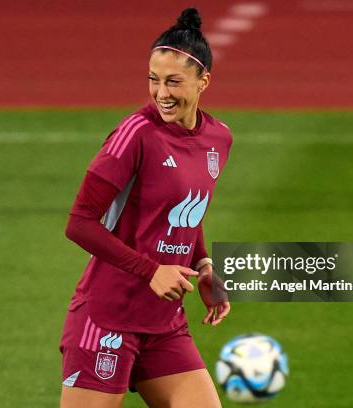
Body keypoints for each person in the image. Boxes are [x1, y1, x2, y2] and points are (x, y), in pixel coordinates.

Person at [60, 8, 232, 408]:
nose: (161, 93)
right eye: (154, 81)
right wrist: (151, 270)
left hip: (165, 324)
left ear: (203, 81)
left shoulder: (218, 138)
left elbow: (187, 211)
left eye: (174, 82)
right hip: (107, 319)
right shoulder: (135, 134)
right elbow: (79, 223)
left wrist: (204, 265)